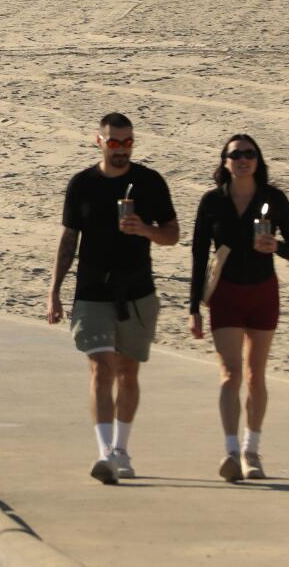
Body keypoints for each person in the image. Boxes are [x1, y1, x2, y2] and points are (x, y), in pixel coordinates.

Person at [48, 112, 179, 484]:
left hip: (137, 290)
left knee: (127, 370)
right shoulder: (82, 185)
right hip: (92, 290)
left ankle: (122, 450)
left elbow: (172, 234)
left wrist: (145, 230)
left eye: (127, 142)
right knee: (100, 367)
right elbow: (69, 238)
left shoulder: (149, 182)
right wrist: (54, 291)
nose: (120, 150)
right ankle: (104, 452)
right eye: (113, 142)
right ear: (99, 141)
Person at [188, 134, 289, 482]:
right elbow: (197, 255)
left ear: (258, 160)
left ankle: (251, 451)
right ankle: (230, 451)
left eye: (249, 154)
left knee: (256, 375)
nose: (243, 159)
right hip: (225, 294)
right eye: (236, 154)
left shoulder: (274, 199)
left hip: (263, 293)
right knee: (230, 374)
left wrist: (276, 247)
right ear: (224, 162)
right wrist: (193, 306)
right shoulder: (212, 202)